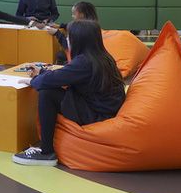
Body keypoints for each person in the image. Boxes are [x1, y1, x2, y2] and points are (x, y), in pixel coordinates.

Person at [12, 20, 126, 166]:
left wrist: (34, 80)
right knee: (53, 86)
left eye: (68, 37)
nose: (67, 40)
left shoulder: (84, 62)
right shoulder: (101, 57)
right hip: (104, 108)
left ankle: (46, 152)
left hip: (96, 114)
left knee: (47, 92)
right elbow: (64, 75)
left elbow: (48, 81)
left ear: (78, 40)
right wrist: (41, 72)